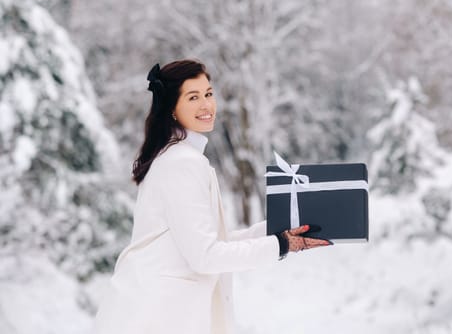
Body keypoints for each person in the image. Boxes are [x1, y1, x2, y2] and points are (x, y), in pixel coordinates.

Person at [92, 59, 333, 334]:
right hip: (156, 316)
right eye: (193, 97)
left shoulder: (179, 158)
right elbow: (206, 256)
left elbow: (207, 243)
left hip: (153, 312)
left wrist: (278, 230)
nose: (206, 105)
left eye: (208, 94)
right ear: (171, 107)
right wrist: (279, 245)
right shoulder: (181, 163)